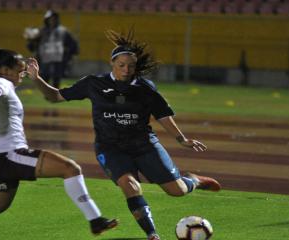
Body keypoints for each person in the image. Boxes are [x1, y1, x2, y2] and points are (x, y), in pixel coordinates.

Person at [28, 29, 222, 240]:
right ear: (112, 63)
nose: (126, 69)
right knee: (130, 186)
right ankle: (152, 235)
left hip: (144, 145)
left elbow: (163, 116)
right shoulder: (94, 83)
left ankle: (194, 180)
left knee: (177, 190)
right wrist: (37, 78)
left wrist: (182, 139)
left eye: (131, 66)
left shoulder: (146, 88)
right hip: (110, 148)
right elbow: (55, 96)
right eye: (121, 65)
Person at [0, 46, 117, 240]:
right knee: (70, 168)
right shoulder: (0, 83)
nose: (22, 74)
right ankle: (95, 220)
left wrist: (35, 77)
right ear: (4, 70)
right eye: (19, 70)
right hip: (7, 155)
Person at [24, 9, 79, 88]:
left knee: (57, 75)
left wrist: (72, 52)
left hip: (58, 57)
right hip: (44, 57)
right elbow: (34, 43)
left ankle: (55, 92)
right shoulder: (42, 31)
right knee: (44, 74)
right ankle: (45, 90)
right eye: (50, 19)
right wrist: (30, 40)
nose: (52, 21)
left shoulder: (62, 30)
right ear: (47, 20)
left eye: (54, 18)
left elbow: (72, 43)